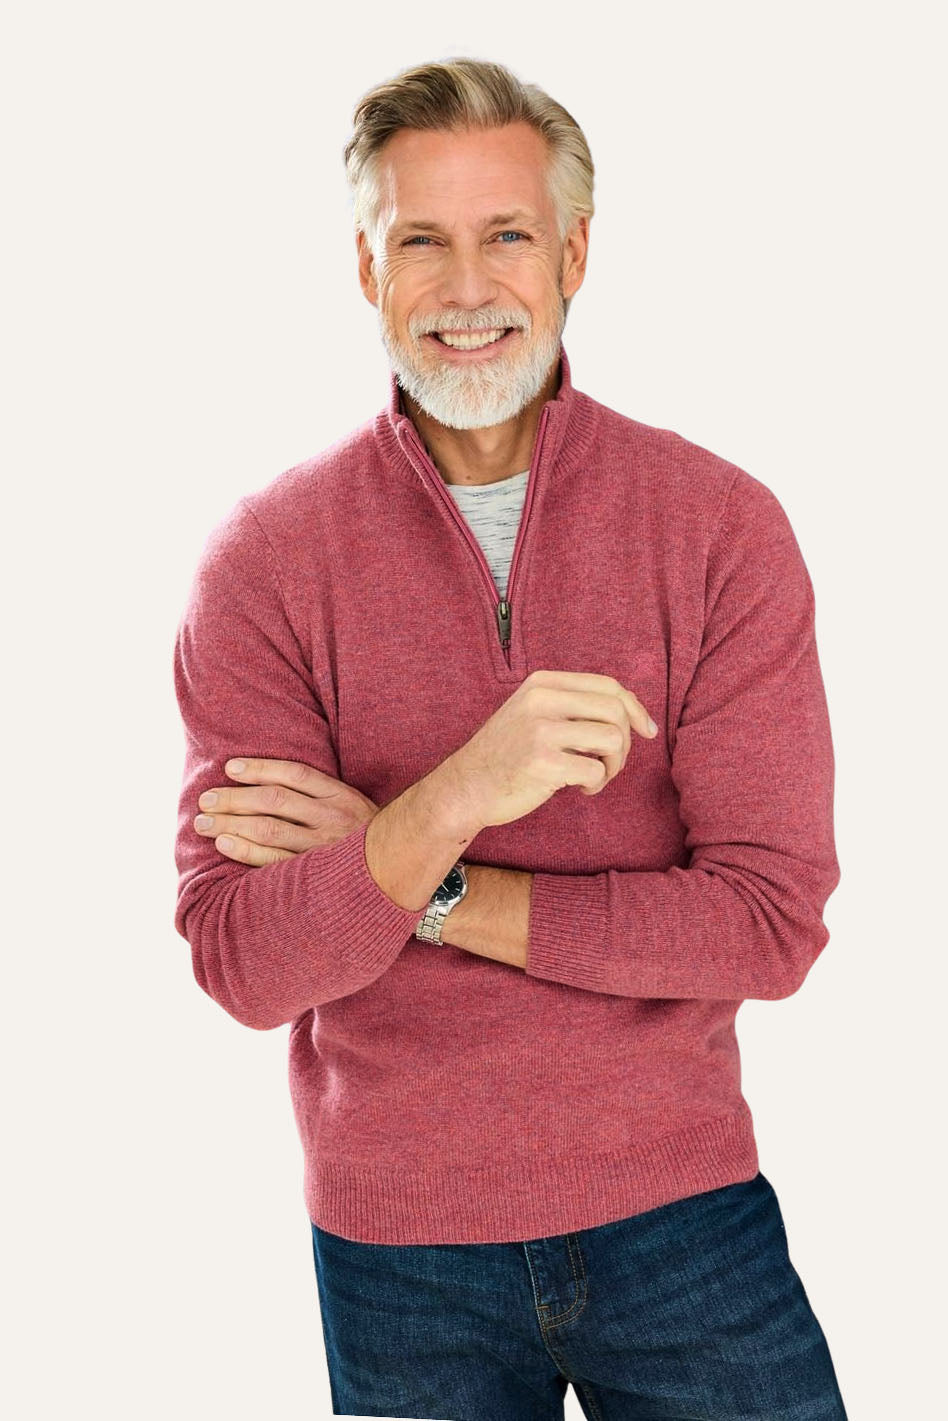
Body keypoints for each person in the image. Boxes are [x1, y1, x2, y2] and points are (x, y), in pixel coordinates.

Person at [172, 56, 849, 1421]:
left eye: (508, 236)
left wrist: (401, 870)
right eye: (421, 240)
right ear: (367, 268)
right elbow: (245, 960)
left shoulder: (719, 529)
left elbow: (768, 925)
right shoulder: (265, 562)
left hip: (682, 1213)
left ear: (574, 255)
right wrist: (459, 792)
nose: (467, 287)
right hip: (397, 1249)